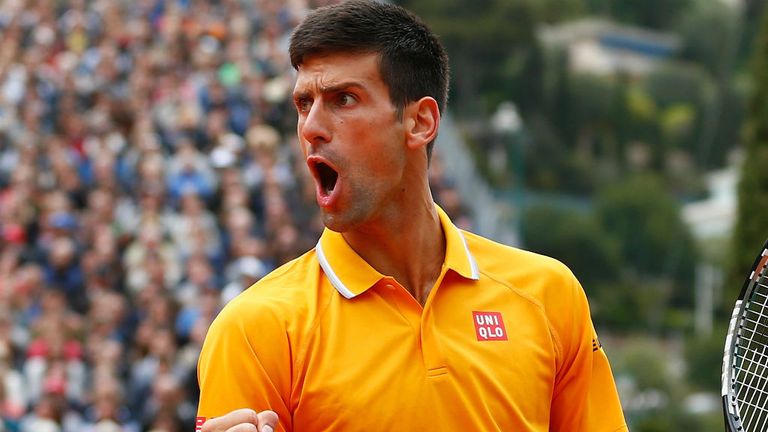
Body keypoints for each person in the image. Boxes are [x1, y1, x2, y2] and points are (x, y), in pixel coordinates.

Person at [196, 1, 628, 431]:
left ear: (420, 122)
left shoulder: (549, 296)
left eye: (343, 99)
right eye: (304, 103)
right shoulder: (255, 329)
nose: (310, 127)